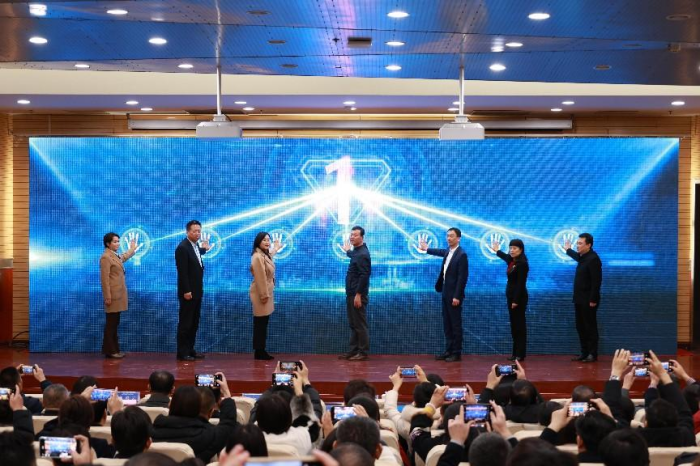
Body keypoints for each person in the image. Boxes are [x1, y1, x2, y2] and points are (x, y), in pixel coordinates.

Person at [419, 227, 469, 362]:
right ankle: (449, 350)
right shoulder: (448, 251)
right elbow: (440, 252)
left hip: (454, 296)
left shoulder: (462, 255)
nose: (449, 238)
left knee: (455, 325)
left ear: (458, 238)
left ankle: (456, 353)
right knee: (447, 324)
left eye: (451, 236)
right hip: (445, 293)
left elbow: (462, 278)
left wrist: (457, 296)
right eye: (447, 236)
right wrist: (426, 249)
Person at [175, 220, 212, 361]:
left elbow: (195, 255)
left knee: (194, 323)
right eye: (194, 231)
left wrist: (204, 249)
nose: (197, 234)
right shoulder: (182, 247)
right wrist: (186, 290)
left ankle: (190, 349)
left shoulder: (194, 246)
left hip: (197, 291)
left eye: (199, 231)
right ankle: (182, 352)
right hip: (188, 293)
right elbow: (182, 272)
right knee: (185, 323)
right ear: (187, 232)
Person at [100, 232, 140, 359]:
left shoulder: (114, 255)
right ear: (108, 243)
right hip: (112, 296)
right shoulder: (105, 257)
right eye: (115, 242)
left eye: (118, 241)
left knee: (114, 323)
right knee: (111, 324)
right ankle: (111, 350)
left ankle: (113, 349)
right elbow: (104, 279)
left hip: (118, 295)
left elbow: (123, 257)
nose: (117, 244)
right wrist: (107, 296)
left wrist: (132, 249)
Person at [564, 232, 602, 363]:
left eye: (580, 243)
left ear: (589, 245)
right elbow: (577, 257)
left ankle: (592, 353)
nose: (577, 246)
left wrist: (593, 299)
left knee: (589, 327)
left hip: (588, 300)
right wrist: (568, 250)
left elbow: (596, 281)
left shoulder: (593, 259)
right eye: (577, 243)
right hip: (579, 298)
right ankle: (584, 352)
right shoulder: (583, 257)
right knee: (580, 326)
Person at [490, 237, 529, 361]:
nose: (511, 250)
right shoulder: (512, 261)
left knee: (519, 326)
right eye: (510, 248)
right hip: (511, 297)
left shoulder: (522, 264)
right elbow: (505, 257)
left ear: (521, 250)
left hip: (518, 299)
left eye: (514, 248)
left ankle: (520, 354)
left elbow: (520, 284)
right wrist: (497, 251)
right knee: (514, 326)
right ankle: (515, 353)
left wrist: (515, 301)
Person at [338, 226, 371, 361]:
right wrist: (348, 251)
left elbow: (364, 275)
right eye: (351, 234)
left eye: (355, 235)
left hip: (357, 295)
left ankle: (362, 352)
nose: (352, 237)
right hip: (352, 293)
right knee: (354, 324)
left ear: (362, 237)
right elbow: (354, 256)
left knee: (359, 325)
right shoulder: (358, 252)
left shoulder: (363, 254)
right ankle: (353, 351)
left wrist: (358, 294)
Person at [250, 231, 284, 360]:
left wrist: (276, 248)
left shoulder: (263, 255)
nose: (267, 242)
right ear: (258, 241)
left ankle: (260, 349)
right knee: (260, 323)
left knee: (263, 323)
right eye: (264, 240)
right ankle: (259, 351)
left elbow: (270, 256)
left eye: (268, 240)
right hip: (261, 293)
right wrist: (264, 295)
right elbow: (260, 278)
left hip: (266, 292)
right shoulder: (257, 257)